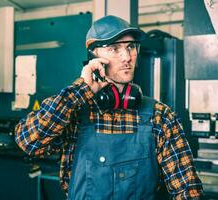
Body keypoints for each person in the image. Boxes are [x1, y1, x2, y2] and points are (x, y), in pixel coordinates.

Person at [15, 15, 203, 199]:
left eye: (131, 47)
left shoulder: (160, 117)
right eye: (114, 48)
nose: (127, 57)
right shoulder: (74, 112)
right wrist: (80, 90)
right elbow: (29, 142)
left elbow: (188, 190)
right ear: (93, 57)